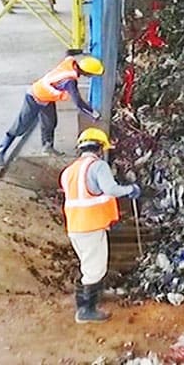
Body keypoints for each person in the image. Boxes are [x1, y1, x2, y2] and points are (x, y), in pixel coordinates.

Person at [60, 128, 140, 324]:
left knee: (88, 266)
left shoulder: (70, 170)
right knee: (95, 270)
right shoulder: (98, 166)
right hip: (91, 227)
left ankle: (84, 303)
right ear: (100, 148)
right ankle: (86, 310)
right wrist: (130, 190)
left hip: (75, 227)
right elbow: (110, 189)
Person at [0, 55, 104, 167]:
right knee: (21, 126)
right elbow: (78, 103)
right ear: (87, 72)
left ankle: (47, 147)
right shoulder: (69, 81)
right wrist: (93, 114)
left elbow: (69, 56)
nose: (91, 77)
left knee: (50, 122)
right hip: (34, 96)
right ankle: (0, 151)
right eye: (92, 74)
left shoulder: (70, 63)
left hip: (47, 98)